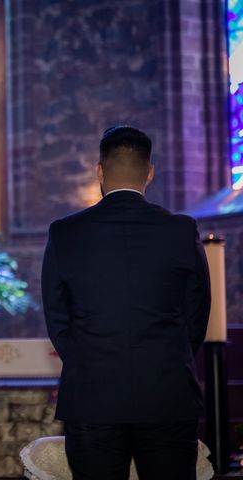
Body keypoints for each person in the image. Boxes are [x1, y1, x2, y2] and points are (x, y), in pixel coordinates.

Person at [41, 126, 211, 480]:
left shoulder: (66, 232)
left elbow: (58, 317)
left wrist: (88, 361)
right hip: (167, 394)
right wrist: (168, 355)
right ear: (150, 172)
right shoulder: (181, 230)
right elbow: (197, 313)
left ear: (100, 171)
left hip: (93, 397)